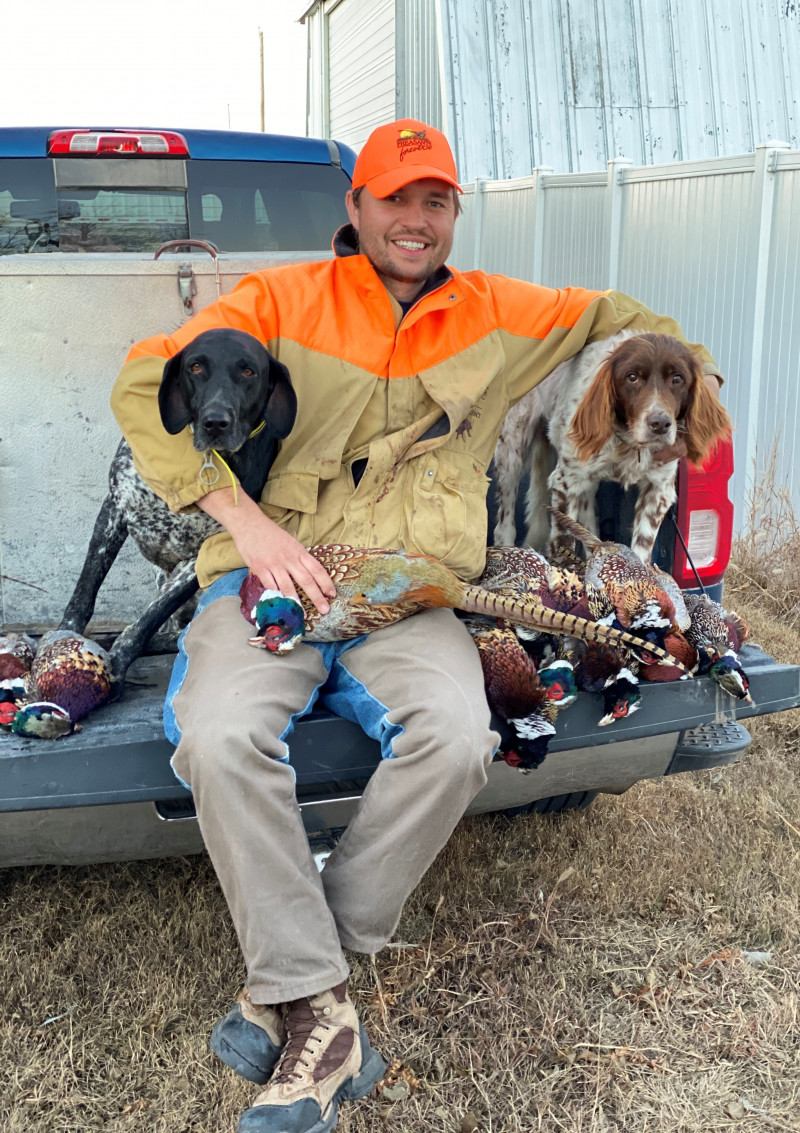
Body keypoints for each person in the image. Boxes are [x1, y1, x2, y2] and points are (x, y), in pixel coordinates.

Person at [111, 119, 724, 1133]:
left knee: (456, 737)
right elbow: (145, 380)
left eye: (433, 199)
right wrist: (242, 517)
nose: (413, 218)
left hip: (411, 593)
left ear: (451, 214)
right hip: (279, 577)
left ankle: (299, 981)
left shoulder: (502, 311)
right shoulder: (280, 298)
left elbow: (631, 316)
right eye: (393, 197)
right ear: (355, 209)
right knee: (219, 736)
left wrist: (681, 396)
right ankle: (325, 1006)